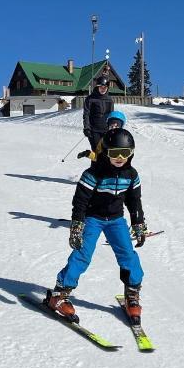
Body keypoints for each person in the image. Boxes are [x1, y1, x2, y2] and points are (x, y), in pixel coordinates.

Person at [46, 126, 147, 325]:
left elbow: (135, 202)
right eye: (115, 153)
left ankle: (132, 293)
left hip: (116, 220)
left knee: (128, 254)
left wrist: (138, 223)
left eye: (125, 153)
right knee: (82, 255)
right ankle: (60, 293)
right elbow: (80, 202)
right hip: (93, 218)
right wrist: (77, 225)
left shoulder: (131, 175)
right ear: (105, 152)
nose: (120, 158)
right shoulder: (93, 174)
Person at [83, 75, 114, 150]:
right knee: (97, 151)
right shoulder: (90, 99)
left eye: (105, 87)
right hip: (94, 130)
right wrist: (87, 128)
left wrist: (113, 127)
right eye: (101, 87)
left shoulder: (109, 100)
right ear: (97, 87)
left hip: (106, 130)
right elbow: (86, 114)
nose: (103, 89)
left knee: (107, 151)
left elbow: (111, 115)